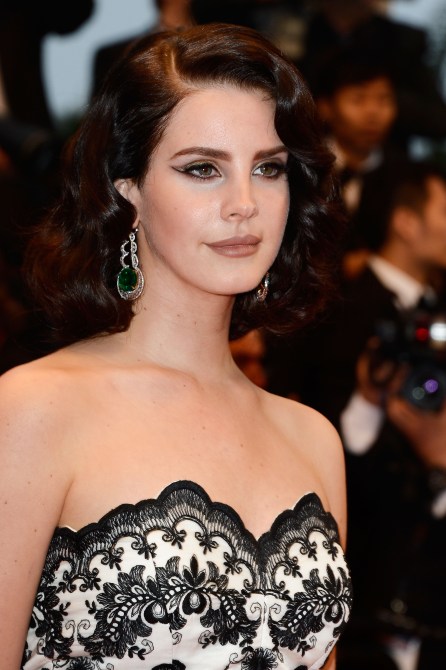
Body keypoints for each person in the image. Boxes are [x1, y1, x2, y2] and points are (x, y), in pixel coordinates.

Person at [0, 23, 351, 670]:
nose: (244, 203)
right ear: (127, 190)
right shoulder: (33, 409)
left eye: (268, 169)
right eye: (202, 169)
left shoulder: (313, 440)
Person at [267, 160, 446, 669]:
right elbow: (324, 440)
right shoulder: (340, 308)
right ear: (406, 222)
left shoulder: (438, 307)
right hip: (366, 567)